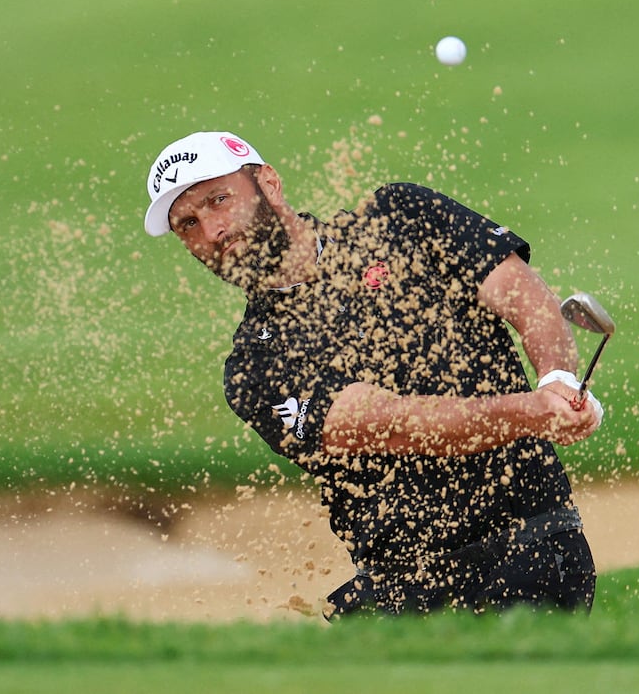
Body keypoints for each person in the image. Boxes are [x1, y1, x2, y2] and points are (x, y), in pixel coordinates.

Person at [143, 131, 606, 617]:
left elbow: (521, 293)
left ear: (269, 184)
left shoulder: (401, 217)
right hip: (402, 590)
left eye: (219, 200)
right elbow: (392, 424)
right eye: (188, 224)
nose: (212, 231)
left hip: (532, 550)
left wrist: (557, 379)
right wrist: (530, 412)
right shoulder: (255, 366)